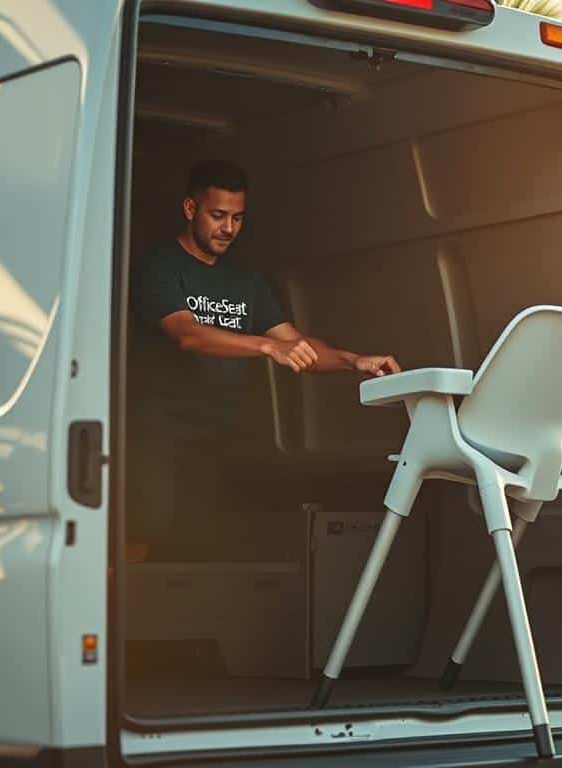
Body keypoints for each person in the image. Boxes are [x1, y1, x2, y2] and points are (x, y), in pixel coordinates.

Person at [128, 159, 400, 555]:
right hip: (154, 434)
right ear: (190, 209)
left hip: (214, 439)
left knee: (199, 546)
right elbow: (186, 334)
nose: (228, 229)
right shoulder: (159, 267)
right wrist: (266, 346)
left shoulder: (246, 283)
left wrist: (352, 361)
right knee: (148, 528)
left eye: (237, 218)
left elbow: (294, 341)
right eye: (217, 215)